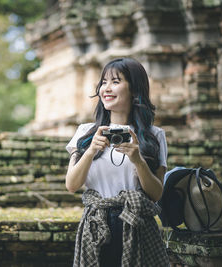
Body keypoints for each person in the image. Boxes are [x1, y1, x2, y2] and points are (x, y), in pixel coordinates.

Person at [65, 58, 169, 267]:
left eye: (115, 81)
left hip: (137, 225)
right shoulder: (86, 133)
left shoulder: (154, 136)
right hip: (96, 224)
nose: (106, 88)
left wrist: (138, 160)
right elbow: (72, 185)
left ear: (134, 89)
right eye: (104, 82)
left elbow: (156, 194)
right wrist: (91, 151)